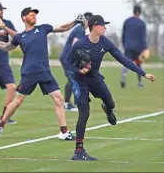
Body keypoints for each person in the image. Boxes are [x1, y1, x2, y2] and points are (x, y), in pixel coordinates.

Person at [0, 7, 86, 140]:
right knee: (18, 100)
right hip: (29, 73)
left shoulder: (43, 28)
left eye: (35, 15)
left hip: (45, 72)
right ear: (24, 18)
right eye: (31, 15)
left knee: (58, 99)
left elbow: (63, 28)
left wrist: (75, 22)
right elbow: (5, 47)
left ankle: (64, 132)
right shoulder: (20, 37)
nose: (34, 16)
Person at [64, 15, 155, 161]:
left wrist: (143, 73)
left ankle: (107, 109)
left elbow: (123, 59)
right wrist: (78, 71)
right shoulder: (79, 44)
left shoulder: (105, 43)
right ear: (94, 26)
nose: (105, 28)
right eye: (102, 25)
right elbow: (67, 63)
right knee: (84, 113)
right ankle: (78, 151)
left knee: (111, 103)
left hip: (95, 78)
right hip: (80, 81)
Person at [60, 12, 93, 112]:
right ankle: (66, 104)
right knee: (72, 79)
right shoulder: (80, 29)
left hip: (69, 57)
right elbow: (75, 45)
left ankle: (73, 103)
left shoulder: (82, 29)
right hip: (68, 58)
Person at [121, 5, 148, 88]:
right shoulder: (142, 23)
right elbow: (143, 37)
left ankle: (123, 78)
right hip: (138, 48)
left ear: (133, 11)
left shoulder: (127, 21)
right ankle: (140, 83)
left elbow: (123, 34)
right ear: (140, 12)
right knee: (138, 65)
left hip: (128, 46)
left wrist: (124, 44)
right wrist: (145, 48)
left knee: (126, 63)